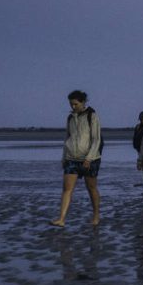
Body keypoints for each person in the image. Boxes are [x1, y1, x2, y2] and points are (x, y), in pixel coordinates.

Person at [51, 90, 102, 228]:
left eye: (75, 104)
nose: (73, 107)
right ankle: (61, 219)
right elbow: (67, 137)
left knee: (91, 188)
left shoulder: (92, 115)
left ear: (83, 102)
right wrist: (63, 157)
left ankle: (96, 215)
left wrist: (89, 158)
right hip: (71, 158)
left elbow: (96, 139)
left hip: (90, 158)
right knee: (67, 189)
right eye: (71, 104)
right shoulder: (70, 118)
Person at [132, 110, 143, 187]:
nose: (142, 121)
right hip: (139, 150)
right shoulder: (138, 127)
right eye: (141, 119)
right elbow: (135, 138)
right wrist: (136, 148)